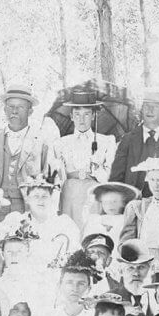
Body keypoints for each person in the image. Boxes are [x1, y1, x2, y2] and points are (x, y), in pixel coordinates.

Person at [0, 84, 50, 215]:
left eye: (20, 107)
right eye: (10, 106)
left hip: (26, 211)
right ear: (4, 109)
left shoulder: (41, 142)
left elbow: (49, 180)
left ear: (30, 111)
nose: (14, 111)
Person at [51, 90, 116, 228]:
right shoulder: (60, 143)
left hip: (93, 194)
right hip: (70, 195)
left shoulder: (106, 141)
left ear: (93, 115)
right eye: (77, 114)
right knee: (69, 232)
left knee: (90, 231)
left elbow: (111, 177)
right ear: (71, 116)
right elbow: (57, 176)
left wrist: (96, 169)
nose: (82, 119)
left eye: (86, 114)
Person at [110, 89, 159, 198]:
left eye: (156, 106)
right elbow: (116, 176)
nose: (150, 110)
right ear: (141, 109)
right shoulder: (128, 140)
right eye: (146, 106)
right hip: (136, 198)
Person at [9, 173, 79, 267]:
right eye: (36, 196)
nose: (40, 200)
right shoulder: (16, 221)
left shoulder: (64, 223)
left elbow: (74, 254)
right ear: (27, 199)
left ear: (51, 198)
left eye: (44, 196)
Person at [108, 240, 157, 316]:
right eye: (130, 268)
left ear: (151, 269)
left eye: (141, 267)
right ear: (121, 271)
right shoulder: (108, 300)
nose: (136, 273)